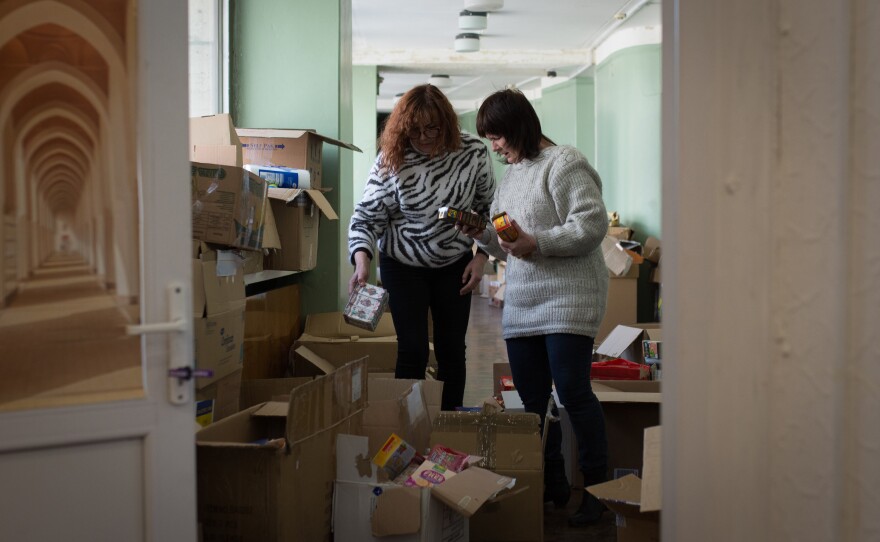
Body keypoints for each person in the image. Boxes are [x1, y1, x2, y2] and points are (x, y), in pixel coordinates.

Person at [459, 88, 610, 526]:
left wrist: (538, 241)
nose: (494, 146)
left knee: (572, 393)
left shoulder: (565, 162)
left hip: (569, 299)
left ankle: (597, 491)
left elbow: (591, 223)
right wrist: (482, 235)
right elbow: (509, 248)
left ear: (518, 126)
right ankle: (553, 482)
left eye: (497, 137)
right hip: (524, 303)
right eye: (489, 139)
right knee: (531, 402)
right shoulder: (510, 178)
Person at [348, 84, 495, 411]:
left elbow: (490, 211)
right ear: (403, 129)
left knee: (452, 350)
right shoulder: (393, 156)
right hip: (402, 263)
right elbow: (367, 215)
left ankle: (449, 423)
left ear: (448, 123)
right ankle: (407, 425)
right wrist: (362, 262)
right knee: (412, 349)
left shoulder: (473, 153)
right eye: (415, 131)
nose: (425, 137)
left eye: (433, 129)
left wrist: (482, 257)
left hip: (454, 262)